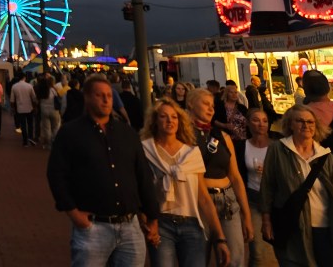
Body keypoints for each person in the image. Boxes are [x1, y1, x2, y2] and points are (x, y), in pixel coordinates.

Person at [47, 75, 160, 267]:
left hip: (129, 225)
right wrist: (73, 213)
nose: (107, 100)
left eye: (109, 95)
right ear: (87, 98)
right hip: (93, 226)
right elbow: (56, 174)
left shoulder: (127, 133)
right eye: (100, 95)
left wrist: (152, 216)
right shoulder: (71, 133)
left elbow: (143, 175)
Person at [141, 99, 232, 267]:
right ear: (155, 121)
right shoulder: (146, 150)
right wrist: (146, 221)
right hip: (161, 223)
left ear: (180, 121)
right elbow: (141, 192)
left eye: (174, 117)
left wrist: (220, 238)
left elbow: (204, 198)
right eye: (164, 116)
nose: (170, 121)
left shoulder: (191, 153)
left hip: (191, 223)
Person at [261, 105, 333, 266]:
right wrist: (266, 220)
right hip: (292, 226)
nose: (306, 126)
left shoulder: (326, 156)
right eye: (300, 121)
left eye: (310, 122)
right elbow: (267, 186)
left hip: (324, 227)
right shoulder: (278, 150)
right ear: (290, 124)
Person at [188, 87, 253, 267]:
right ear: (191, 104)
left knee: (235, 258)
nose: (211, 109)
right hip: (199, 202)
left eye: (212, 106)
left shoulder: (222, 135)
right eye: (205, 104)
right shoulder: (183, 135)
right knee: (199, 258)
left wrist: (246, 215)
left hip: (227, 200)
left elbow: (236, 176)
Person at [237, 108, 278, 267]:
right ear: (247, 123)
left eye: (264, 121)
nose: (261, 124)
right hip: (253, 199)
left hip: (275, 201)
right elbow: (238, 175)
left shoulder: (278, 145)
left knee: (276, 246)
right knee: (257, 250)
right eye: (255, 120)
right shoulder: (241, 146)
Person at [11, 72, 38, 147]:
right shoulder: (29, 86)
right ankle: (30, 137)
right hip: (29, 107)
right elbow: (33, 98)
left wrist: (13, 108)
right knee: (30, 124)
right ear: (24, 77)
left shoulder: (14, 86)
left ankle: (25, 140)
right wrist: (35, 106)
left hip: (20, 108)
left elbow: (12, 100)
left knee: (23, 125)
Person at [37, 74, 62, 149]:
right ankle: (54, 141)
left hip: (44, 110)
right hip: (54, 110)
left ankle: (47, 143)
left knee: (46, 128)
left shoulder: (43, 90)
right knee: (55, 127)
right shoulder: (54, 90)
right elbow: (60, 98)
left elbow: (38, 99)